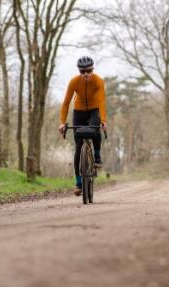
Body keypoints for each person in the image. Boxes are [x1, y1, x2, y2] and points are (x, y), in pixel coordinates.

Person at [59, 56, 107, 196]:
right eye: (82, 71)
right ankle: (78, 182)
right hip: (79, 111)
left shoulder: (98, 81)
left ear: (93, 69)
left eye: (89, 70)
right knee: (78, 147)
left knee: (96, 130)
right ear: (79, 71)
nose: (86, 74)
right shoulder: (74, 82)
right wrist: (62, 122)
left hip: (94, 110)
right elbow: (66, 103)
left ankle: (97, 156)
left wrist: (103, 120)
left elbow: (102, 101)